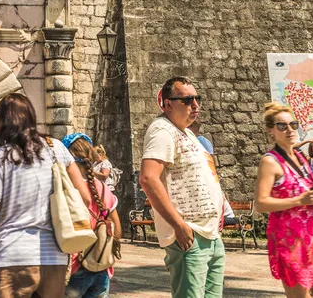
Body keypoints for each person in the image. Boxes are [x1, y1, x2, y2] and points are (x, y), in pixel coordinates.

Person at [0, 92, 92, 298]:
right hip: (54, 258)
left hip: (12, 257)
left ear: (0, 123)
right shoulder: (56, 148)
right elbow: (85, 197)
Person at [138, 76, 225, 298]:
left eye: (197, 98)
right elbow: (148, 178)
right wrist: (179, 225)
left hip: (210, 234)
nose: (195, 105)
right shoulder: (162, 130)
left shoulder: (186, 132)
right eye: (187, 100)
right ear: (168, 104)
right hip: (189, 235)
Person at [255, 103, 313, 298]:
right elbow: (261, 203)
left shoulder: (300, 158)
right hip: (289, 242)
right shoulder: (270, 161)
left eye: (293, 124)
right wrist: (299, 200)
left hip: (311, 239)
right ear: (271, 130)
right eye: (282, 126)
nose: (290, 130)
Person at [64, 132, 122, 298]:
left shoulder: (67, 189)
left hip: (75, 266)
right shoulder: (103, 188)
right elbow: (117, 231)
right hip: (102, 266)